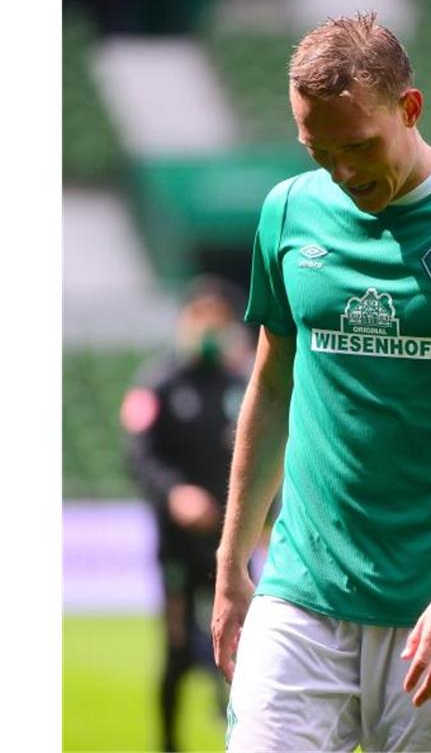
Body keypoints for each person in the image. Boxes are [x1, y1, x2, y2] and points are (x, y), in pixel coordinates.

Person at [209, 13, 431, 752]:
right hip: (300, 595)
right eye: (320, 150)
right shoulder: (288, 211)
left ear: (409, 109)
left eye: (359, 145)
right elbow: (273, 387)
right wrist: (231, 562)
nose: (343, 171)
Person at [120, 275, 251, 752]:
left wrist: (266, 518)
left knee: (244, 654)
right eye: (202, 318)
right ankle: (169, 744)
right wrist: (175, 493)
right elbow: (138, 454)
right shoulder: (158, 383)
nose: (210, 328)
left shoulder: (243, 386)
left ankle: (243, 737)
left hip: (230, 547)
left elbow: (264, 457)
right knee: (177, 653)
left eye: (220, 319)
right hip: (177, 544)